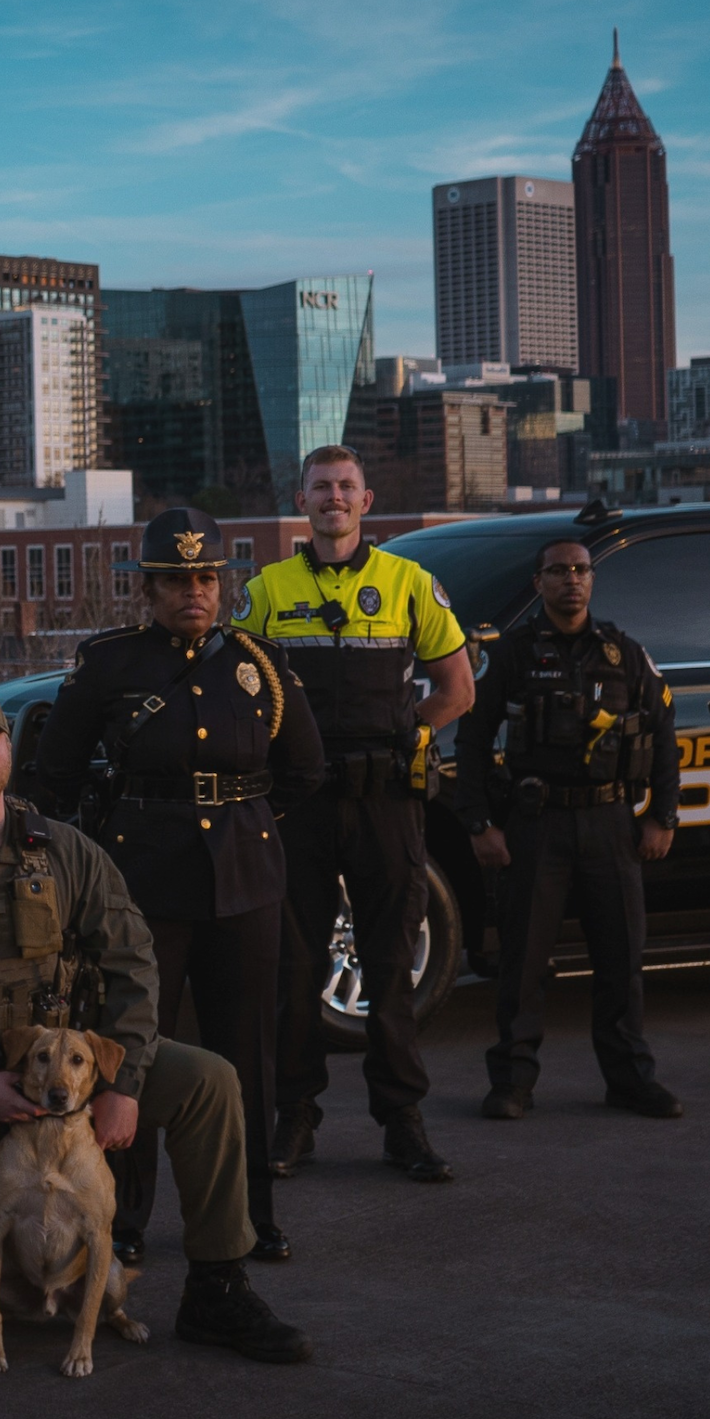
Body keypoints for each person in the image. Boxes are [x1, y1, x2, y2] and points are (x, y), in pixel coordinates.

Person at [0, 688, 310, 1364]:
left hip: (66, 1081)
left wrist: (125, 1081)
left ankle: (218, 1287)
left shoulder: (62, 851)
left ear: (9, 750)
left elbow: (133, 962)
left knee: (208, 1080)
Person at [39, 508, 325, 1264]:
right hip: (143, 881)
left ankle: (252, 1216)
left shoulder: (259, 662)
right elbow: (55, 777)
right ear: (149, 587)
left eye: (205, 578)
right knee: (129, 1052)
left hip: (245, 879)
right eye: (175, 580)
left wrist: (244, 820)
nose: (193, 592)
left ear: (221, 583)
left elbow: (303, 770)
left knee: (246, 1056)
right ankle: (123, 1219)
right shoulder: (108, 664)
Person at [232, 446, 474, 1183]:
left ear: (366, 501)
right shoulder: (267, 588)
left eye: (346, 487)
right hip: (301, 803)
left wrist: (411, 738)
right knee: (294, 966)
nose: (333, 498)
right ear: (300, 501)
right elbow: (242, 693)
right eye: (320, 488)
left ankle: (402, 1122)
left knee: (390, 964)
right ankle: (295, 1116)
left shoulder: (409, 583)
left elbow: (457, 688)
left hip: (385, 801)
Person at [456, 538, 684, 1120]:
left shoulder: (624, 653)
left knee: (620, 959)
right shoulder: (511, 654)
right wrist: (480, 824)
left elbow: (662, 735)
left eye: (580, 570)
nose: (572, 581)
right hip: (537, 823)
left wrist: (663, 815)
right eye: (558, 571)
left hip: (612, 823)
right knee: (524, 961)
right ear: (539, 583)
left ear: (591, 579)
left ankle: (631, 1079)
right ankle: (512, 1083)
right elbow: (474, 743)